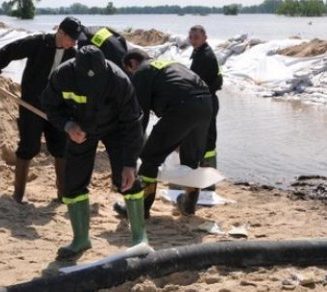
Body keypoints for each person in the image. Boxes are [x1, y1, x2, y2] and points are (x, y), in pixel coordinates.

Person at [41, 46, 146, 260]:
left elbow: (133, 124)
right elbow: (49, 104)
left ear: (105, 68)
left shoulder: (119, 81)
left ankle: (139, 236)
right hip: (81, 129)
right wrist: (68, 126)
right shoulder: (63, 75)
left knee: (128, 179)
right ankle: (80, 239)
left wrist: (129, 164)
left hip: (116, 128)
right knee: (72, 182)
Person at [0, 17, 80, 203]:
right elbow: (8, 51)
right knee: (29, 147)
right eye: (71, 38)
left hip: (58, 108)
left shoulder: (73, 55)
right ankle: (19, 194)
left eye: (76, 39)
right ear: (60, 32)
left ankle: (63, 193)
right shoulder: (38, 43)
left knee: (61, 149)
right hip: (31, 104)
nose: (74, 42)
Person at [121, 49, 212, 217]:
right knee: (191, 160)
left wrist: (134, 149)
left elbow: (140, 116)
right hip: (205, 102)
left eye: (129, 71)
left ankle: (142, 208)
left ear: (132, 63)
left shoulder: (141, 72)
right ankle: (189, 205)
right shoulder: (167, 63)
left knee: (149, 159)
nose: (131, 75)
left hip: (182, 106)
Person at [188, 25, 223, 183]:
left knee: (208, 139)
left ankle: (209, 179)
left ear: (204, 38)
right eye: (191, 37)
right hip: (206, 100)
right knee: (204, 137)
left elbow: (198, 82)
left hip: (207, 101)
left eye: (196, 37)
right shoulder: (199, 53)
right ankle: (206, 175)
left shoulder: (205, 56)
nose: (193, 40)